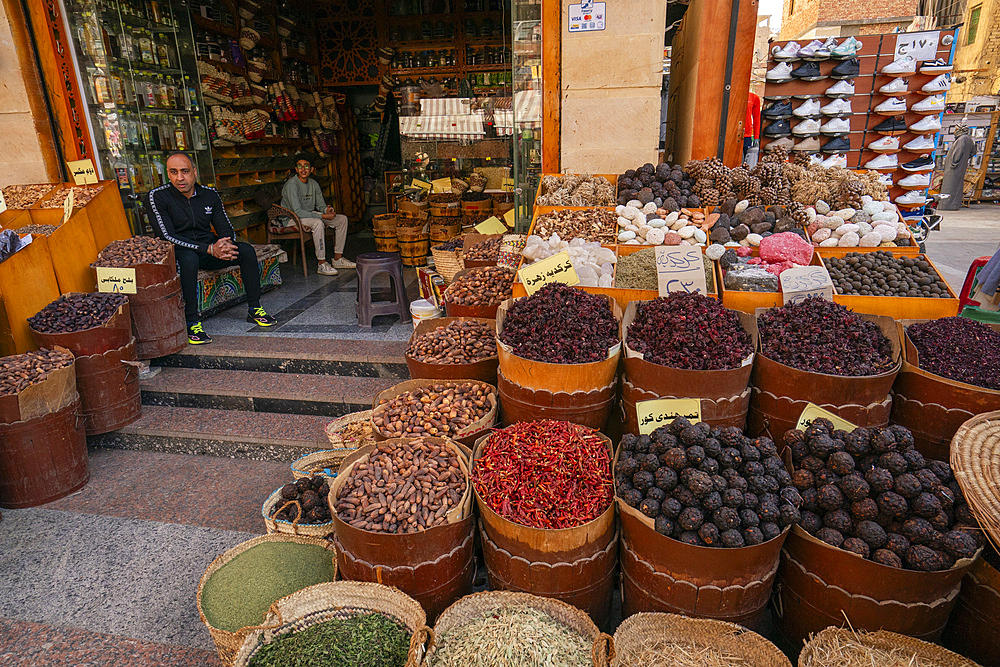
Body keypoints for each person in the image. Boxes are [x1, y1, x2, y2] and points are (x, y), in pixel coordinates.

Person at [147, 152, 276, 345]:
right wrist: (208, 248)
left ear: (195, 172)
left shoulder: (210, 195)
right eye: (173, 172)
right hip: (181, 250)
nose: (179, 178)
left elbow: (225, 227)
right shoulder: (158, 196)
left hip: (210, 248)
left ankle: (254, 308)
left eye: (185, 171)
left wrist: (225, 244)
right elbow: (167, 236)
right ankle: (191, 322)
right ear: (168, 173)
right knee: (189, 260)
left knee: (246, 251)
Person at [280, 155, 355, 276]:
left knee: (342, 219)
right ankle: (321, 263)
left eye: (306, 166)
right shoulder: (291, 185)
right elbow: (297, 212)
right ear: (296, 169)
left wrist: (327, 210)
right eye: (300, 166)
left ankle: (337, 258)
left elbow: (320, 205)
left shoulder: (313, 184)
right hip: (292, 218)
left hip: (309, 215)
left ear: (312, 169)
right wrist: (322, 217)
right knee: (318, 223)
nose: (303, 169)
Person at [938, 123, 976, 211]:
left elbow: (957, 153)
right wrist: (965, 158)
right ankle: (954, 204)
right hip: (960, 166)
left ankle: (946, 205)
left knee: (949, 186)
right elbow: (973, 152)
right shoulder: (968, 139)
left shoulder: (962, 139)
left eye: (956, 130)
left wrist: (954, 162)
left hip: (954, 168)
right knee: (956, 186)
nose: (954, 132)